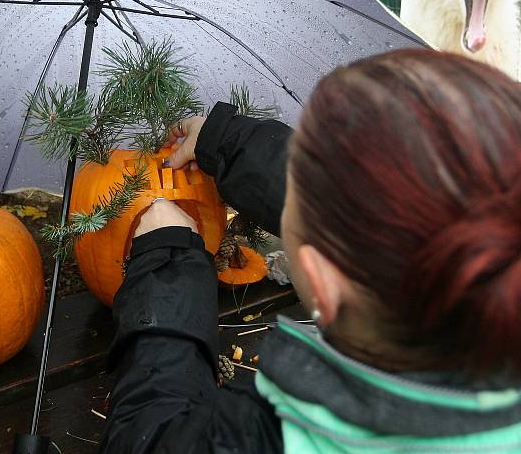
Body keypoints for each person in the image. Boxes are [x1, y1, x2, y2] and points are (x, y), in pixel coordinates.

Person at [98, 49, 521, 453]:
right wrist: (225, 140)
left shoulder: (286, 435)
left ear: (320, 281)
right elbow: (385, 206)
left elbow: (148, 437)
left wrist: (166, 266)